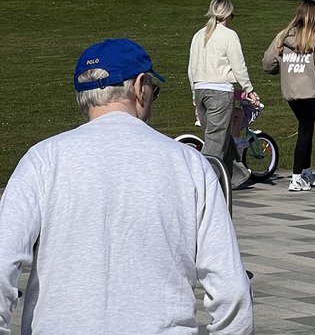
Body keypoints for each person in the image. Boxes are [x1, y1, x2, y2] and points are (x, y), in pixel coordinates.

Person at [0, 38, 252, 335]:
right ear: (139, 87)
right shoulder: (189, 164)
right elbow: (232, 291)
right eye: (153, 91)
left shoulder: (42, 160)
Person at [262, 0, 315, 193]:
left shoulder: (283, 36)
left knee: (307, 129)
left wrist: (278, 68)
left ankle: (307, 171)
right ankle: (296, 177)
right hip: (309, 92)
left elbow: (268, 62)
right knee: (305, 131)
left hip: (290, 92)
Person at [188, 0, 259, 188]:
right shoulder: (229, 35)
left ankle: (236, 177)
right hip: (219, 92)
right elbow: (239, 66)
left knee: (220, 137)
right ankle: (201, 184)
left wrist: (194, 93)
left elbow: (191, 68)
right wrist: (249, 90)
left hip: (200, 90)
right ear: (227, 15)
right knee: (214, 143)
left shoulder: (198, 35)